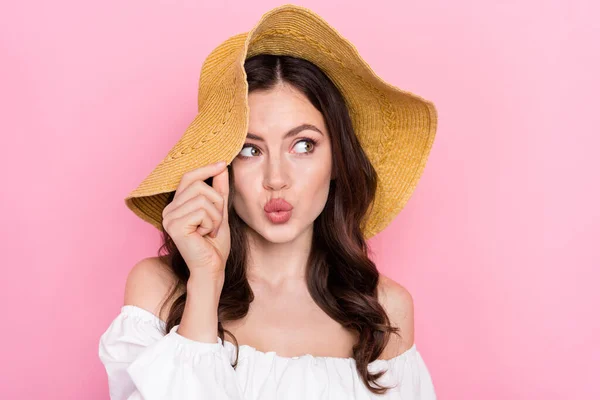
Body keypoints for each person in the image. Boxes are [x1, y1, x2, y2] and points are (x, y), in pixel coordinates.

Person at [99, 4, 438, 399]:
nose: (277, 179)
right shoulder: (160, 290)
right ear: (219, 166)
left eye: (303, 145)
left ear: (335, 161)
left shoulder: (385, 310)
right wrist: (205, 281)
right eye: (249, 150)